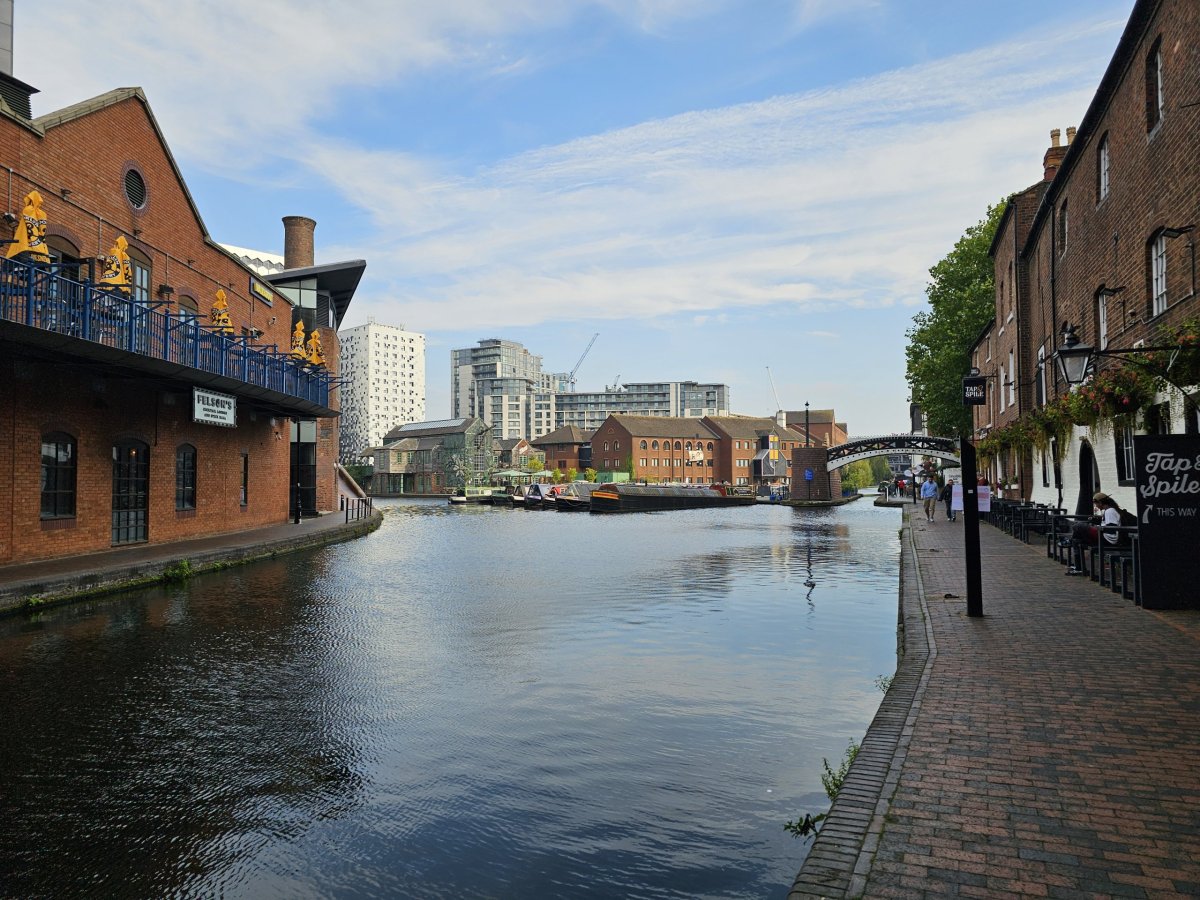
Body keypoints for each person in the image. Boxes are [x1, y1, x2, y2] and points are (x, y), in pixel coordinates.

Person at [1066, 491, 1123, 575]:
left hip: (1107, 538)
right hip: (1104, 536)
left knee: (1078, 526)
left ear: (1100, 502)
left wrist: (1096, 528)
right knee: (1076, 540)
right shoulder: (1108, 510)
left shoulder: (1110, 511)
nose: (1095, 506)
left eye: (1096, 504)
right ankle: (1079, 567)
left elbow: (1111, 529)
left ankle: (1068, 541)